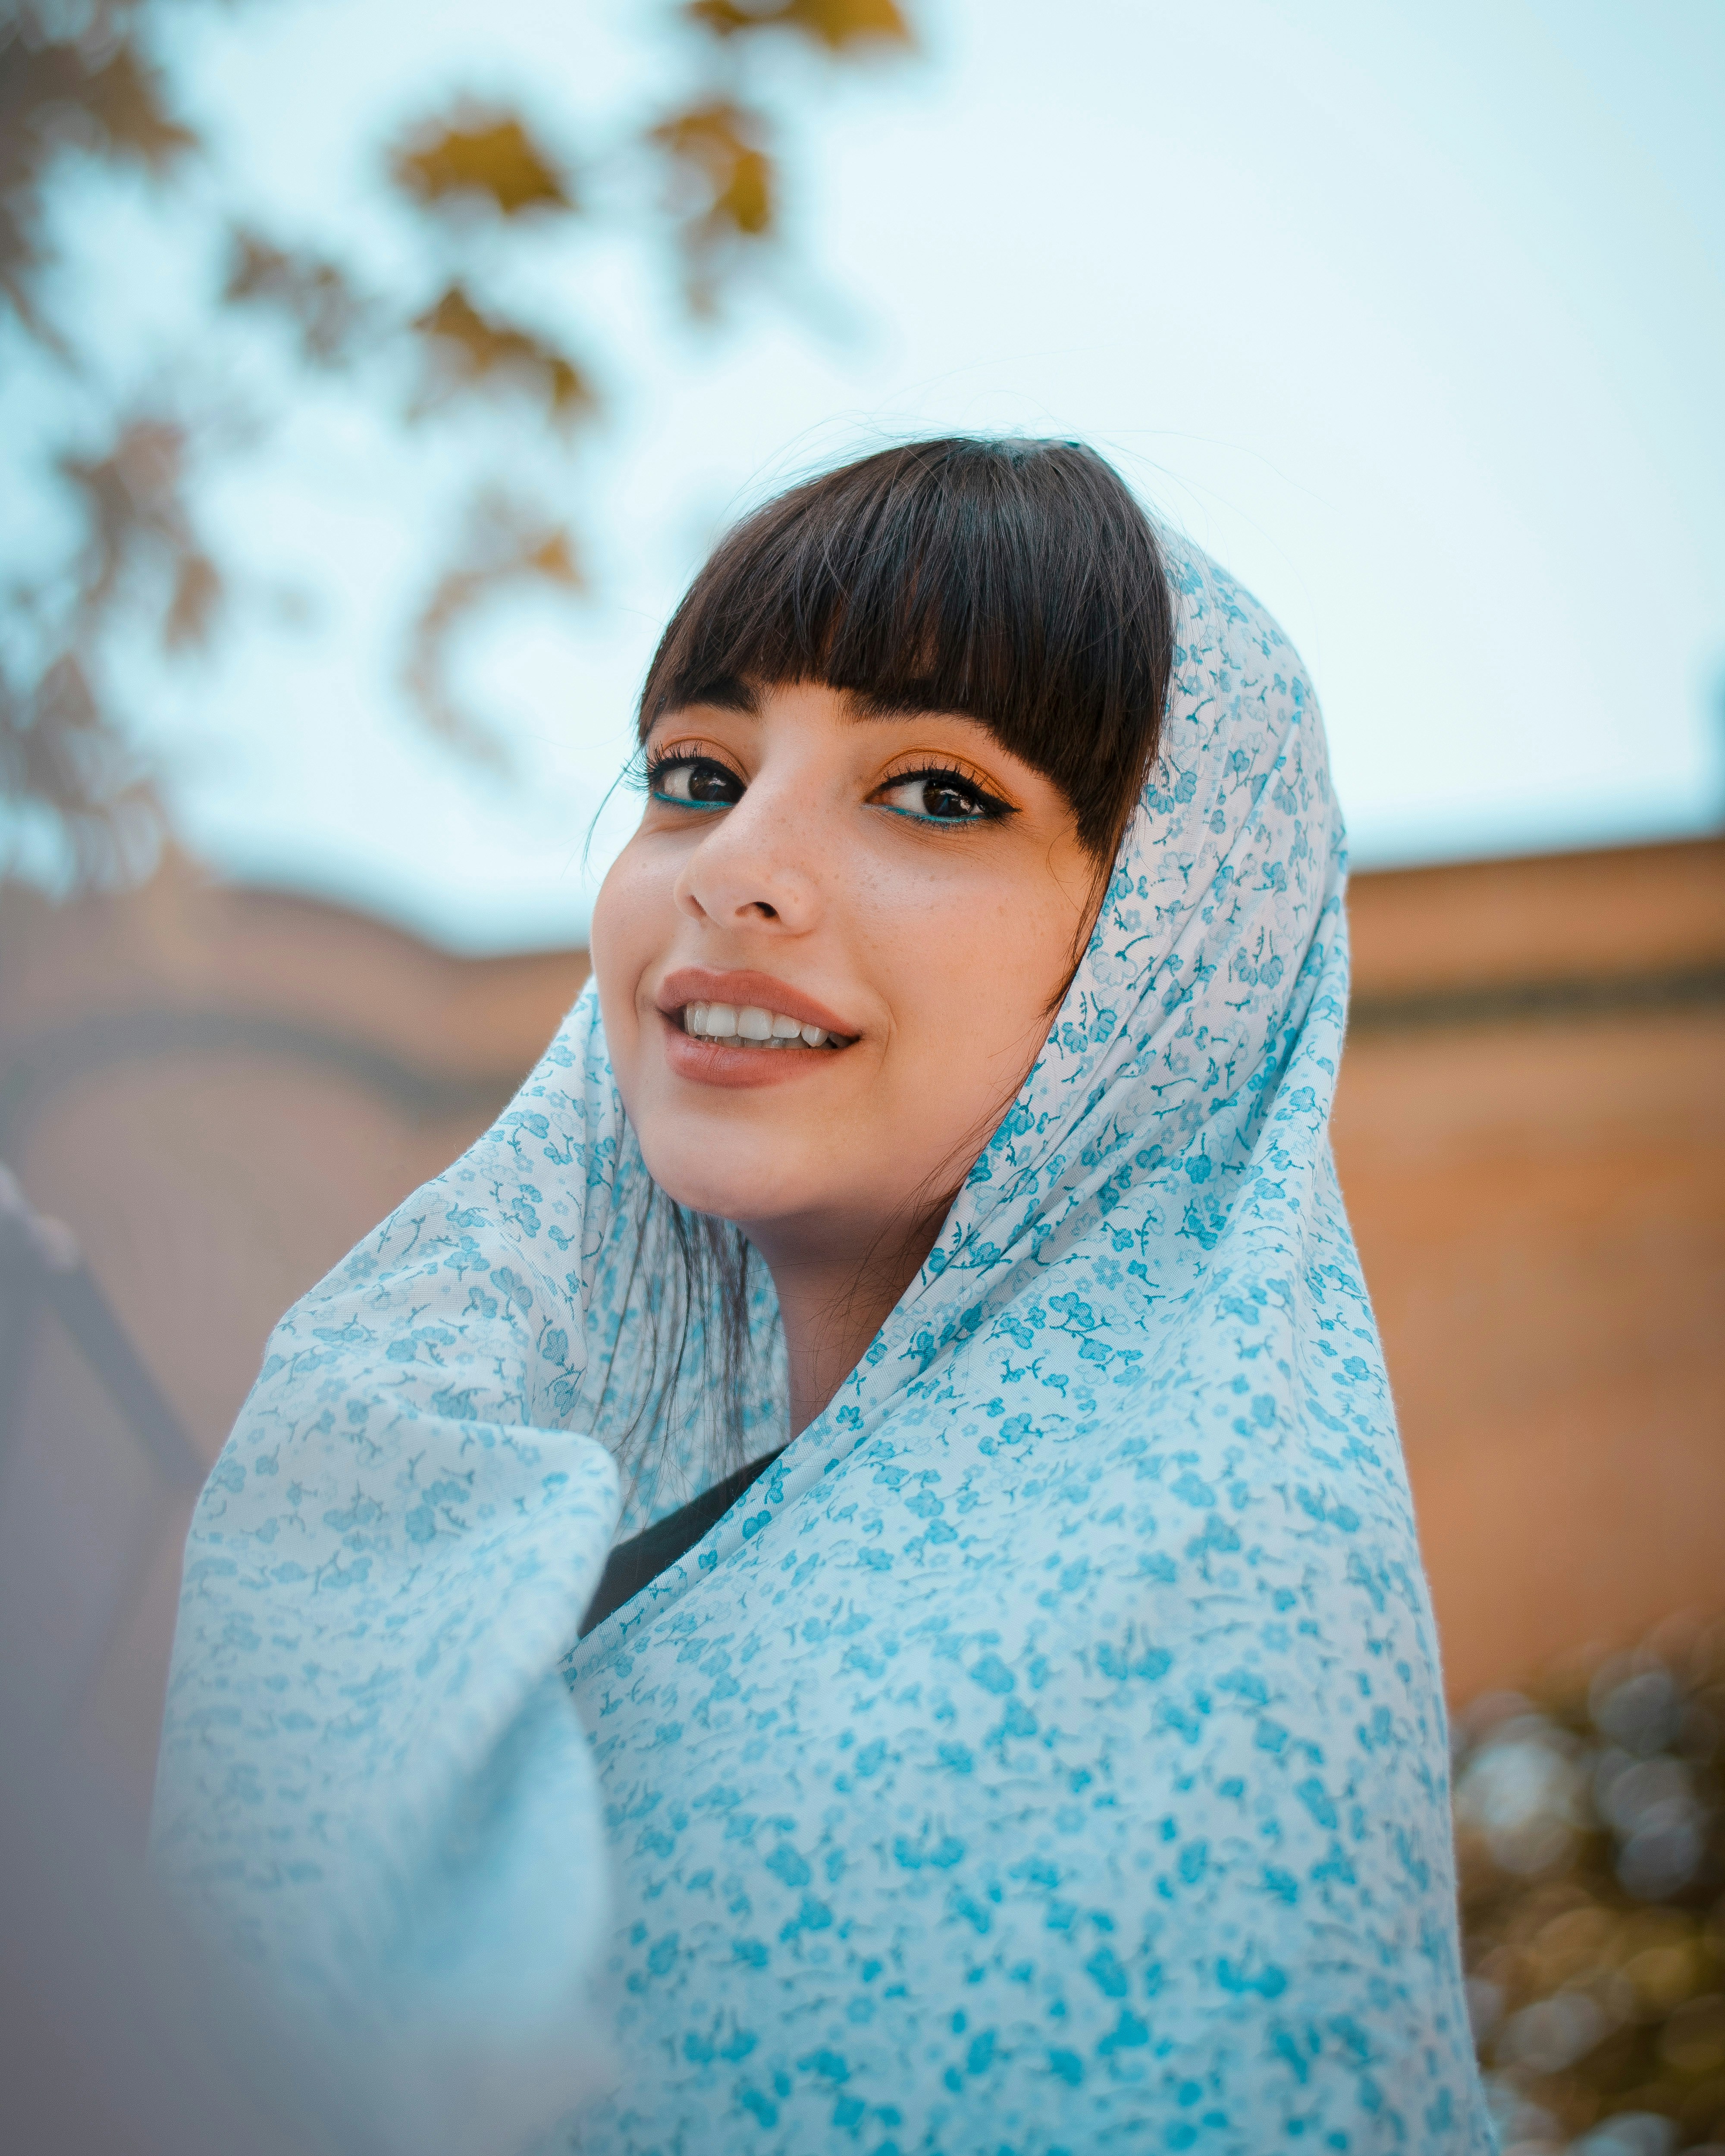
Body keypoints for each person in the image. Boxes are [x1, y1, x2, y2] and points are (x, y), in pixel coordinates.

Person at [153, 439, 1490, 2153]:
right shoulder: (514, 1559)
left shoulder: (1198, 1625)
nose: (734, 867)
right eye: (694, 773)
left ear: (1168, 954)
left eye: (936, 792)